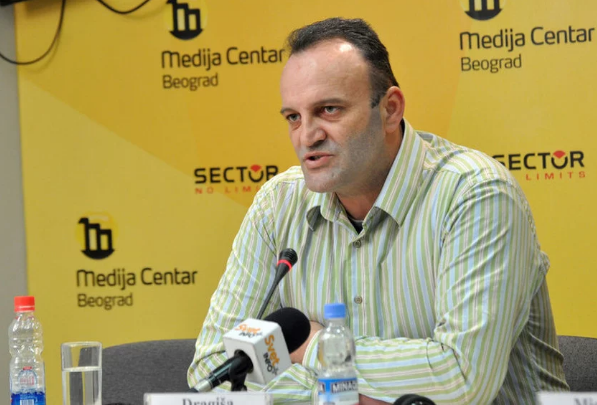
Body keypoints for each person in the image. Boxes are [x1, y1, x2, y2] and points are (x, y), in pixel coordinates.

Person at [188, 17, 568, 404]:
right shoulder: (277, 205)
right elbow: (215, 369)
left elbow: (462, 379)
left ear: (390, 109)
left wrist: (315, 345)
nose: (307, 136)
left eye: (329, 110)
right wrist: (338, 395)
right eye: (294, 118)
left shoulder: (474, 194)